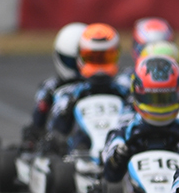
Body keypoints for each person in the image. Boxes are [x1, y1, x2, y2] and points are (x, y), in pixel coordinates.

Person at [101, 56, 179, 193]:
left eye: (165, 98)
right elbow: (110, 172)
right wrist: (118, 156)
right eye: (154, 98)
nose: (160, 104)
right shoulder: (126, 130)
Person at [47, 23, 129, 153]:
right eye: (93, 58)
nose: (100, 65)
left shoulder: (126, 92)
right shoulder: (69, 95)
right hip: (80, 156)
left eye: (105, 57)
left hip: (118, 153)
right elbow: (56, 131)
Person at [25, 22, 87, 148]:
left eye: (84, 60)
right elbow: (37, 123)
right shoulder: (51, 88)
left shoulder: (104, 86)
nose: (78, 67)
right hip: (61, 141)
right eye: (73, 62)